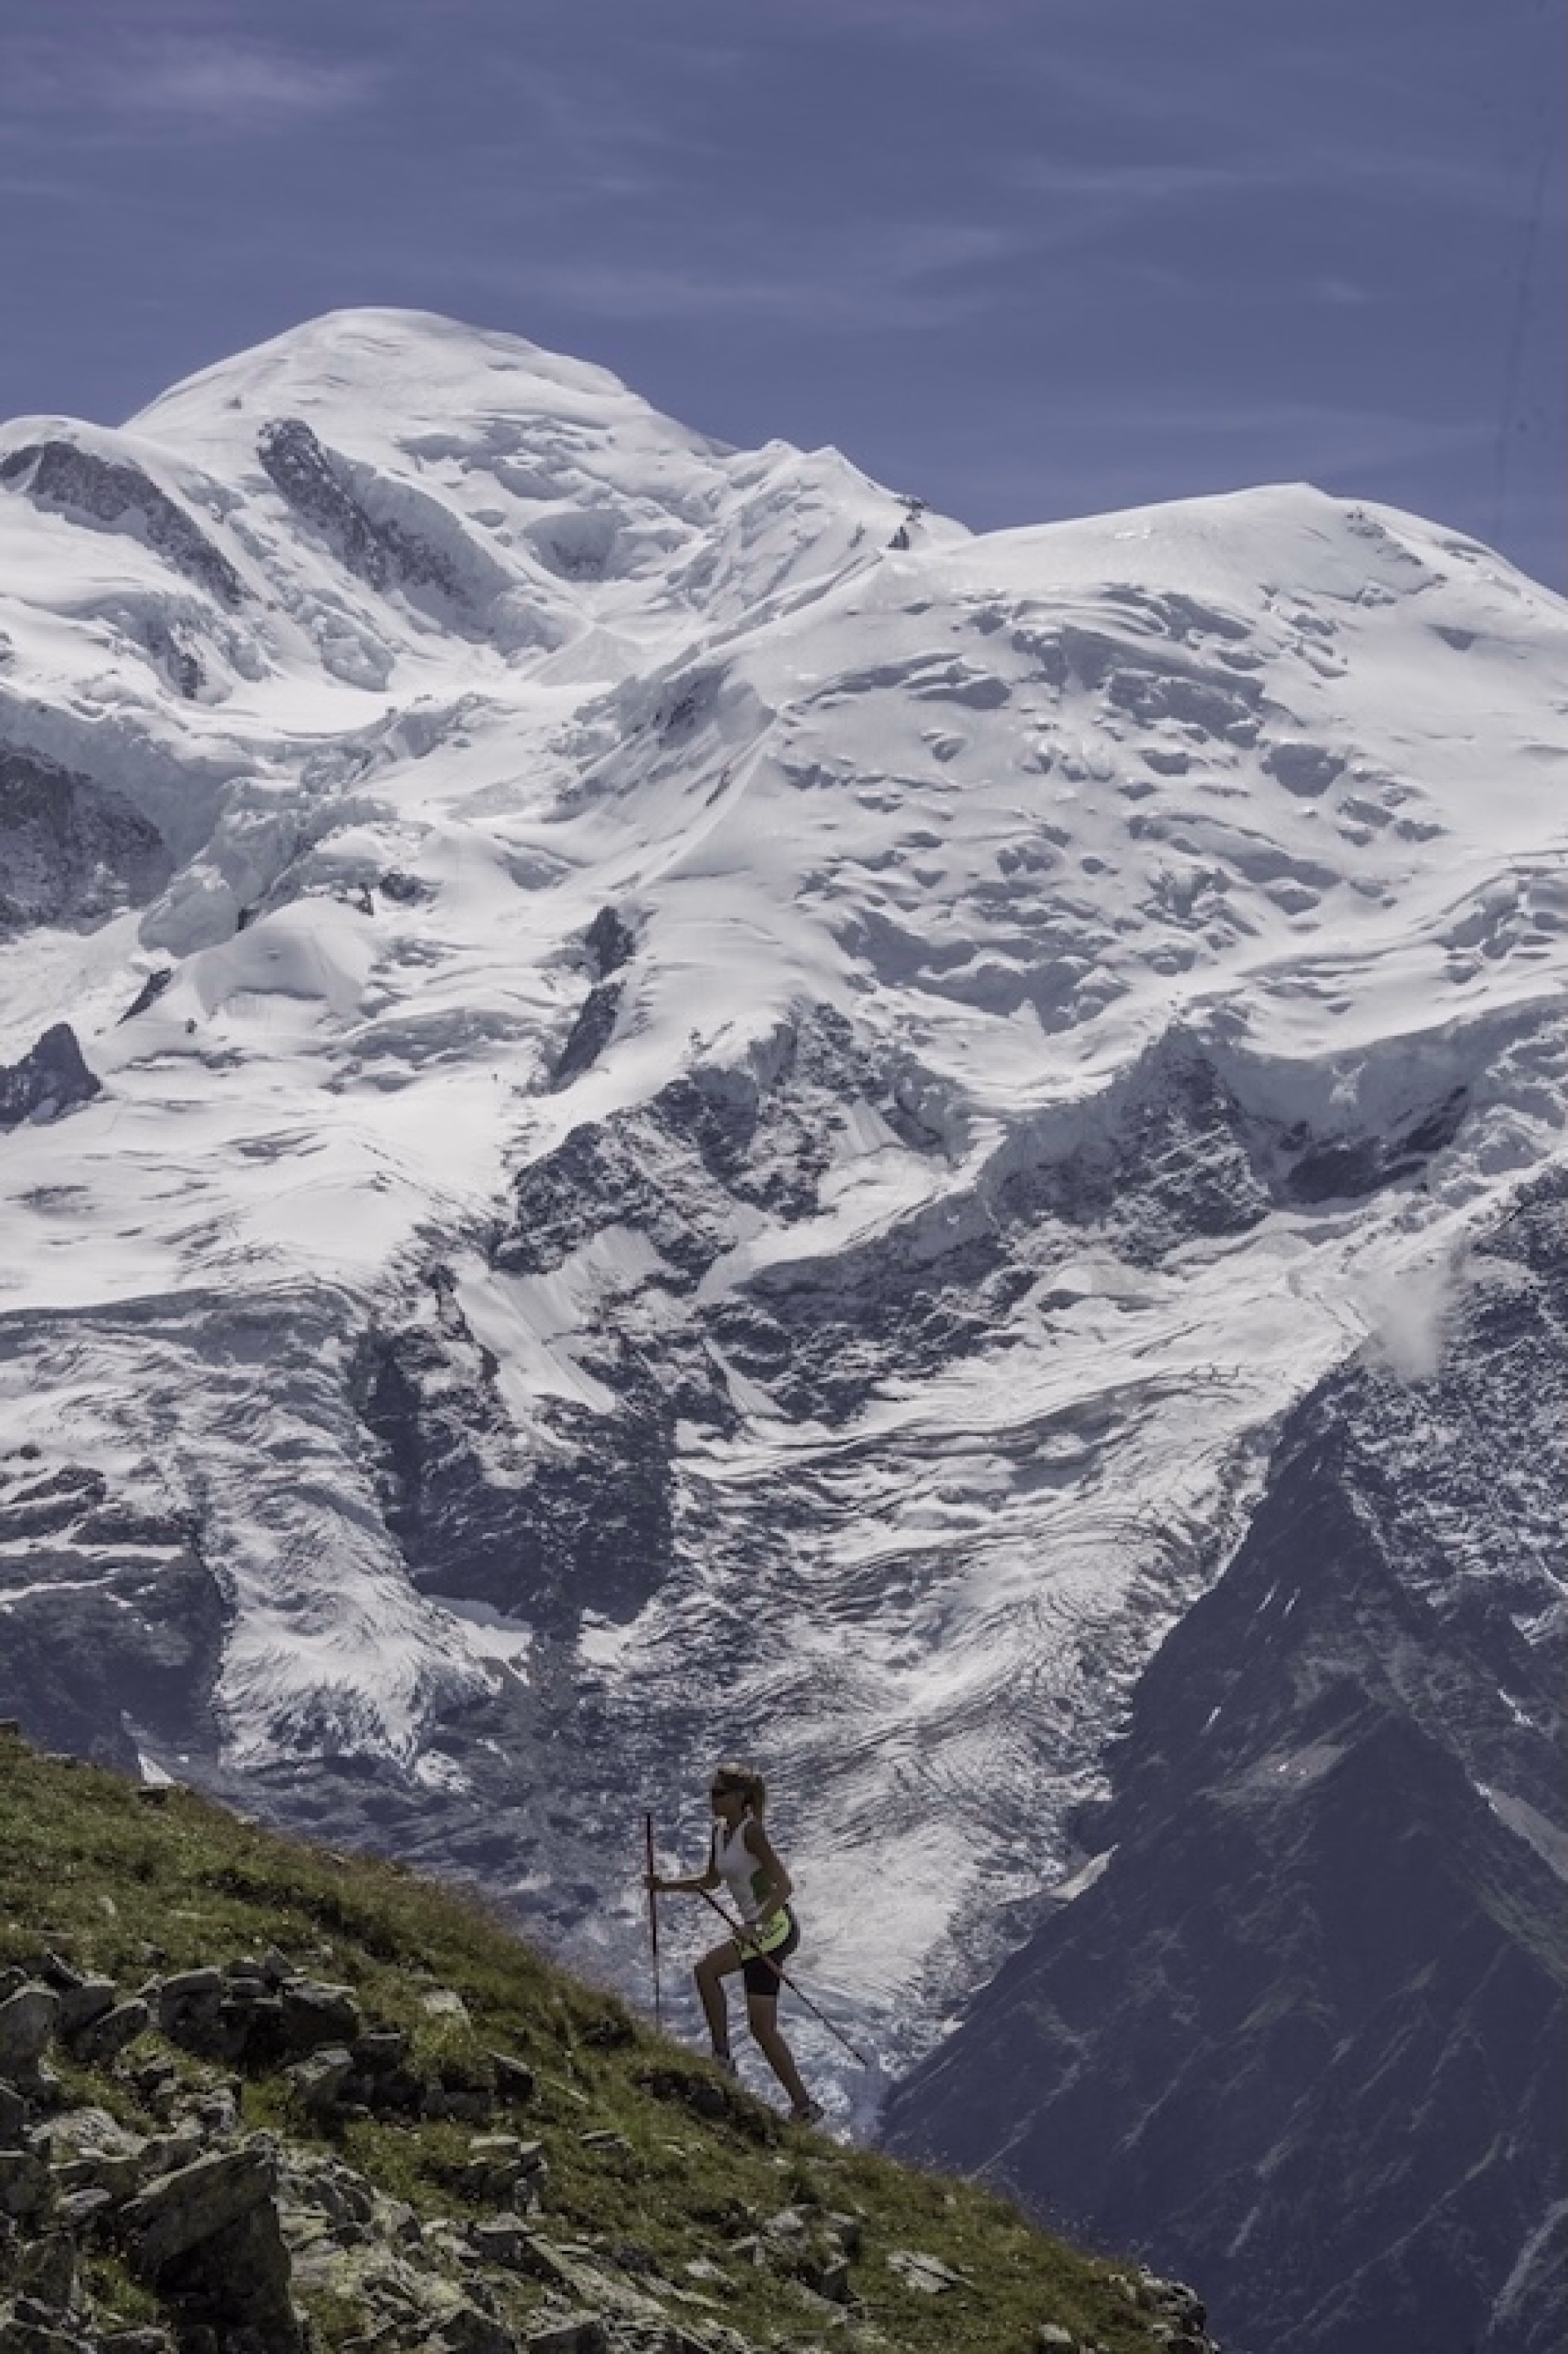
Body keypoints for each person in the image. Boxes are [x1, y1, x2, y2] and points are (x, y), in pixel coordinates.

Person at [646, 1762, 823, 2124]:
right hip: (756, 1930)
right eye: (711, 1793)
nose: (711, 1799)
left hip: (774, 1927)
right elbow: (711, 1881)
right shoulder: (719, 1831)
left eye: (718, 1793)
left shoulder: (751, 1832)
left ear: (740, 1797)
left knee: (706, 1971)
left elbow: (784, 1886)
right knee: (762, 2028)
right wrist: (664, 1886)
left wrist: (756, 1923)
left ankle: (722, 2059)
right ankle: (804, 2106)